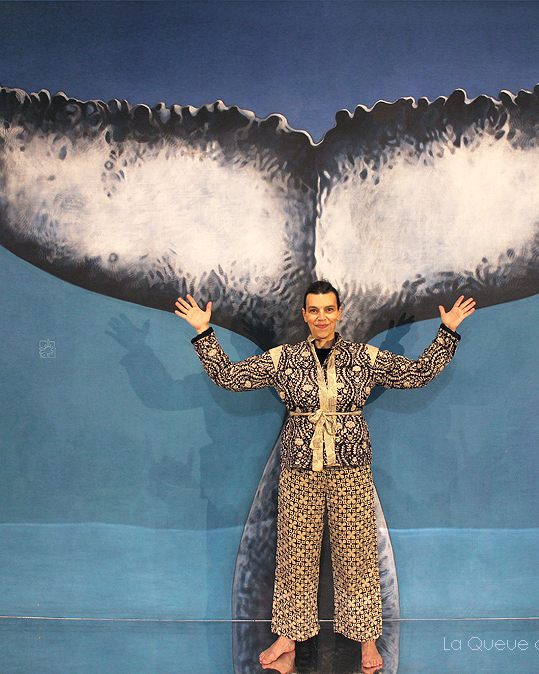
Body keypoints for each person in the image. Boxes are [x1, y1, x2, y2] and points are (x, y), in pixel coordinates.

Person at [175, 281, 475, 670]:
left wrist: (447, 331)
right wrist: (203, 331)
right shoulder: (284, 359)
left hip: (350, 469)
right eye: (314, 310)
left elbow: (415, 374)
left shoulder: (363, 357)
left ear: (338, 312)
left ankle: (367, 642)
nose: (321, 317)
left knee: (358, 555)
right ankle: (288, 638)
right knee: (295, 555)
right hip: (300, 469)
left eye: (328, 309)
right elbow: (231, 377)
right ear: (304, 314)